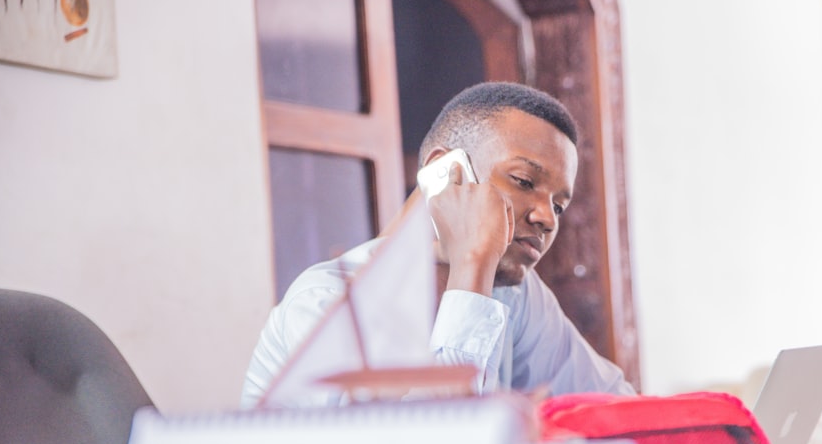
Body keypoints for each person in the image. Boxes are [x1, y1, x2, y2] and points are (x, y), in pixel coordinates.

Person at [241, 81, 635, 407]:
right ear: (444, 171)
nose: (547, 219)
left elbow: (613, 408)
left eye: (559, 206)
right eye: (524, 182)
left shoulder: (515, 297)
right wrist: (472, 265)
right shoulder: (325, 305)